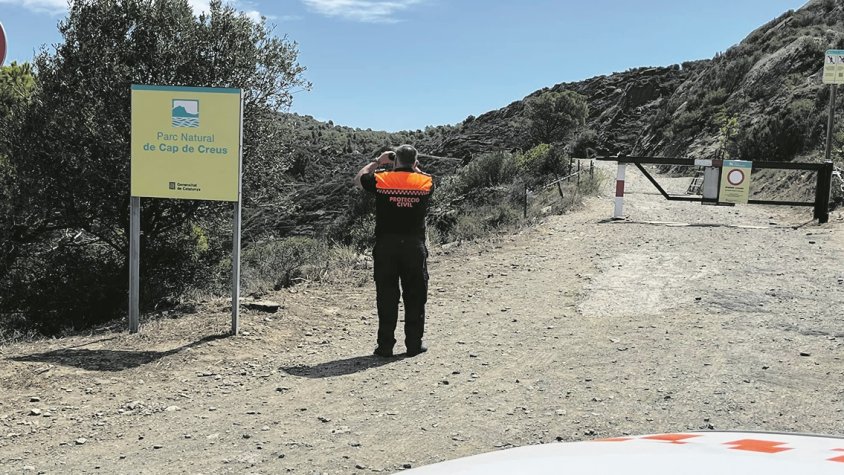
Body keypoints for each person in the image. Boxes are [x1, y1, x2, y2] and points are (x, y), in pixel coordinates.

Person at [353, 144, 433, 357]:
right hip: (414, 247)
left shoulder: (382, 179)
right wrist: (412, 167)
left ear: (395, 161)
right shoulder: (425, 182)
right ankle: (414, 344)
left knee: (386, 296)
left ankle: (385, 346)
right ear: (415, 162)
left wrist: (378, 161)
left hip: (386, 246)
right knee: (415, 295)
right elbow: (421, 174)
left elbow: (358, 179)